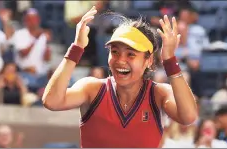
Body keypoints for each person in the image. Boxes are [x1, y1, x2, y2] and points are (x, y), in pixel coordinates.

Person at [42, 6, 197, 148]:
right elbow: (51, 101)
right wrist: (77, 48)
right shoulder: (92, 89)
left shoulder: (158, 94)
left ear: (148, 61)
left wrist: (169, 61)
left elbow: (188, 116)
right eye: (115, 52)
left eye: (131, 54)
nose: (120, 60)